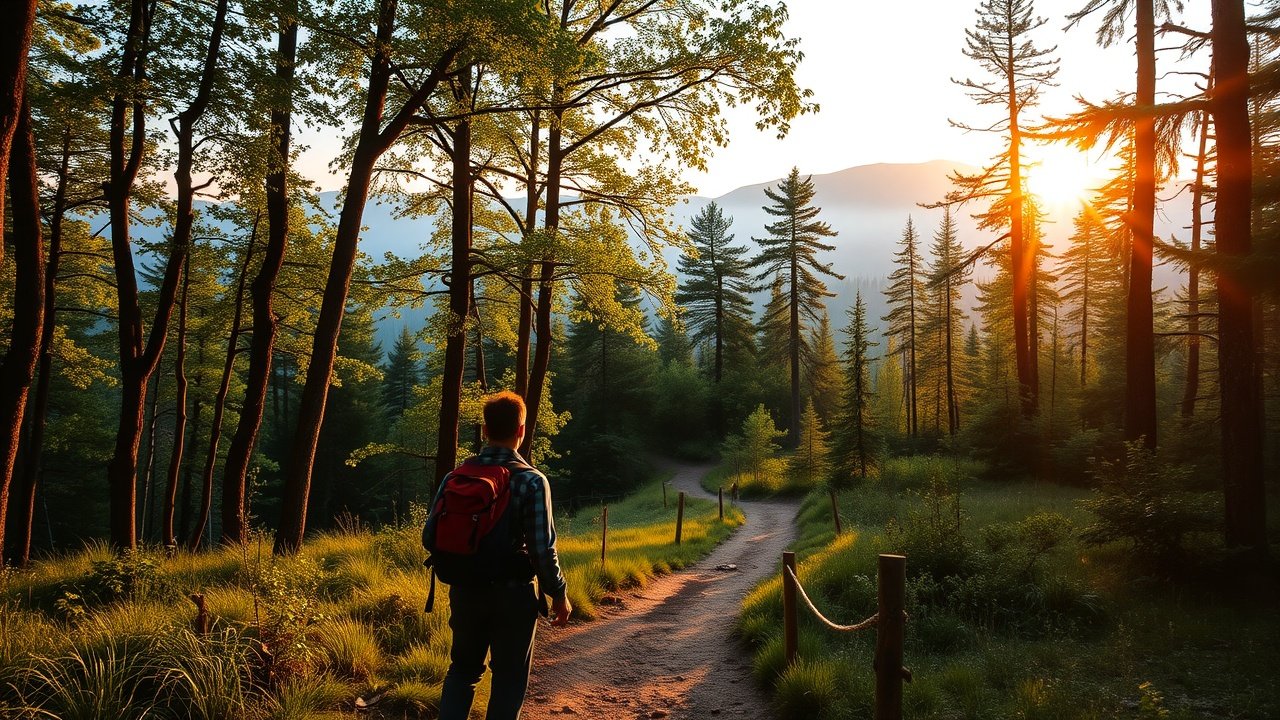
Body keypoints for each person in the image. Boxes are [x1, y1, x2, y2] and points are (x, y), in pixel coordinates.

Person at [437, 390, 572, 720]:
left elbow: (430, 535)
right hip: (513, 597)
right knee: (509, 679)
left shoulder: (455, 477)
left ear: (484, 431)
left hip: (465, 592)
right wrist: (559, 594)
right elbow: (542, 548)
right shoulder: (531, 481)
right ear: (521, 430)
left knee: (463, 672)